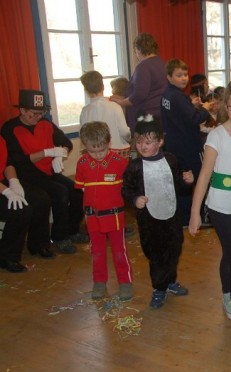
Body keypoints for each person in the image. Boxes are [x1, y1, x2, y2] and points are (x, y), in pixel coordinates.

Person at [188, 80, 231, 320]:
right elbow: (204, 176)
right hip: (221, 206)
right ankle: (229, 294)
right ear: (225, 106)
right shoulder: (217, 136)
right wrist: (195, 213)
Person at [2, 89, 85, 255]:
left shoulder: (46, 124)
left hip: (48, 171)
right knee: (59, 193)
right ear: (22, 110)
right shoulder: (10, 128)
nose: (38, 117)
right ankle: (59, 237)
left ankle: (72, 230)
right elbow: (16, 160)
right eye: (34, 113)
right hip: (26, 175)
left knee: (77, 190)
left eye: (41, 113)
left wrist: (60, 154)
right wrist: (46, 152)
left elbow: (66, 143)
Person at [122, 115, 191, 308]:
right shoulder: (135, 167)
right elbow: (126, 189)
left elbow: (179, 187)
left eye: (148, 142)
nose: (142, 146)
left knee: (174, 249)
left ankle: (170, 281)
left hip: (172, 215)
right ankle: (159, 288)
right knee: (156, 254)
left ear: (160, 142)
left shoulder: (171, 160)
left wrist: (187, 182)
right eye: (139, 142)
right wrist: (135, 199)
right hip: (149, 220)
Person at [75, 122, 132, 300]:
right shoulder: (82, 163)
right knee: (97, 251)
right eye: (92, 151)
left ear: (109, 142)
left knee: (119, 251)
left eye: (102, 150)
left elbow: (129, 188)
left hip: (115, 216)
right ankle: (99, 281)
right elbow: (82, 188)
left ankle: (125, 282)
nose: (98, 155)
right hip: (93, 217)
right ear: (85, 146)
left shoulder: (120, 163)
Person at [160, 59, 212, 226]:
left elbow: (178, 114)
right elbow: (193, 119)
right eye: (179, 75)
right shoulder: (177, 96)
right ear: (169, 77)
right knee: (198, 179)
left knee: (182, 181)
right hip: (189, 146)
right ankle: (198, 215)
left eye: (185, 74)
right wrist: (205, 109)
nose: (184, 78)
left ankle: (183, 217)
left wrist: (190, 105)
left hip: (174, 145)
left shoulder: (167, 94)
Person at [110, 33, 166, 134]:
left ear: (139, 49)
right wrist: (122, 98)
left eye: (135, 51)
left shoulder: (143, 66)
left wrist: (121, 103)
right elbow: (152, 91)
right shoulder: (162, 63)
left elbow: (139, 95)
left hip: (145, 119)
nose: (136, 55)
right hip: (159, 115)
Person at [0, 135, 35, 272]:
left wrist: (14, 181)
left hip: (2, 183)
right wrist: (7, 191)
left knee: (24, 208)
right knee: (19, 211)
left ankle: (8, 256)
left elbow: (8, 163)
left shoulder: (2, 139)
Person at [79, 71, 131, 157]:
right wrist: (129, 139)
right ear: (103, 86)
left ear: (86, 90)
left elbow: (83, 135)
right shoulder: (115, 106)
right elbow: (125, 132)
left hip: (95, 155)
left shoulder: (85, 111)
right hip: (117, 155)